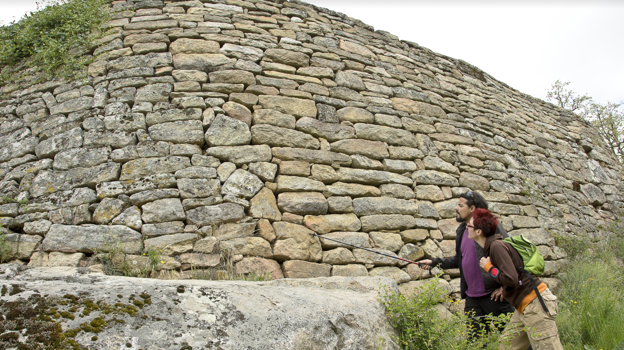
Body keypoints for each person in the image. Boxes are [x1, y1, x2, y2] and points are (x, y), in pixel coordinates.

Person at [419, 191, 515, 337]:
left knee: (514, 339)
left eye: (460, 205)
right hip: (472, 297)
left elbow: (510, 255)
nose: (456, 208)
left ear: (472, 209)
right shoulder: (463, 230)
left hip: (494, 295)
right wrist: (434, 262)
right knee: (475, 343)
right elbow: (460, 259)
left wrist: (505, 287)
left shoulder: (491, 227)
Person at [472, 208, 563, 350]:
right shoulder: (493, 246)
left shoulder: (496, 246)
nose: (466, 227)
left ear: (478, 232)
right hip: (523, 307)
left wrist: (489, 267)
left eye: (469, 225)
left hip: (535, 303)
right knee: (505, 347)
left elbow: (511, 278)